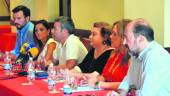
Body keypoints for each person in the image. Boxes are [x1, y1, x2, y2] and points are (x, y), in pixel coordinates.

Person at [117, 18, 170, 96]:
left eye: (126, 37)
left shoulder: (156, 56)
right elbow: (126, 83)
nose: (124, 42)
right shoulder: (135, 54)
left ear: (141, 39)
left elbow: (145, 94)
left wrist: (131, 91)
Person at [88, 19, 131, 90]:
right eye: (111, 33)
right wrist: (95, 79)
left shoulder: (131, 58)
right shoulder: (114, 53)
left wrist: (101, 84)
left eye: (114, 34)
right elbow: (104, 76)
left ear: (123, 38)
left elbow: (127, 85)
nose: (110, 36)